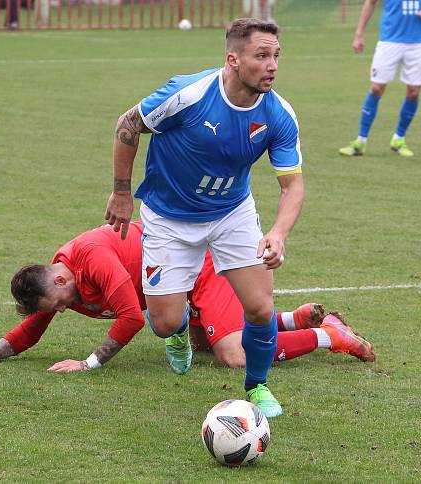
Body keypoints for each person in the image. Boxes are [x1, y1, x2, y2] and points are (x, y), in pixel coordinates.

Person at [103, 18, 303, 418]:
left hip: (231, 212)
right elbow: (128, 124)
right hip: (168, 216)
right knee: (162, 322)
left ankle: (258, 387)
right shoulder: (189, 93)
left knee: (261, 308)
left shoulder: (279, 114)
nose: (272, 65)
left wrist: (278, 233)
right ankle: (178, 334)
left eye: (276, 55)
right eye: (261, 56)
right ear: (233, 59)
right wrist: (122, 193)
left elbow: (292, 186)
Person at [0, 223, 375, 372]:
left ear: (57, 281)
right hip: (177, 286)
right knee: (205, 343)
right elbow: (32, 330)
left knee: (232, 355)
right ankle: (291, 319)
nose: (59, 313)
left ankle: (328, 335)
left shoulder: (92, 257)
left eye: (57, 305)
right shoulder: (59, 285)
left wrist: (89, 363)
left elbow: (131, 316)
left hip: (202, 268)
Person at [338, 0, 421, 159]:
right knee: (376, 88)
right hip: (389, 42)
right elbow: (370, 3)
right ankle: (360, 141)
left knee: (414, 92)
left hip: (417, 44)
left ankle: (399, 139)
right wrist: (359, 34)